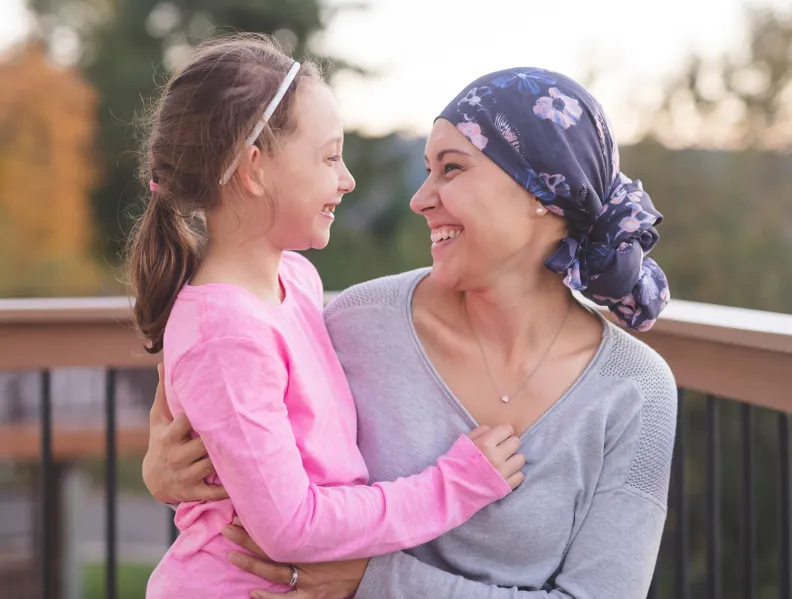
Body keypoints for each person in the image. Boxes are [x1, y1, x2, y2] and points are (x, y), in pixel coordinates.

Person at [142, 66, 678, 598]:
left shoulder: (636, 390)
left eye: (452, 168)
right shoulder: (356, 321)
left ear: (542, 191)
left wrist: (373, 579)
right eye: (426, 169)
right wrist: (166, 476)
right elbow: (256, 450)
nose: (419, 199)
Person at [125, 35, 526, 599]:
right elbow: (292, 526)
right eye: (329, 156)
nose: (347, 179)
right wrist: (454, 486)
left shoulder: (295, 279)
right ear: (254, 168)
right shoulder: (226, 334)